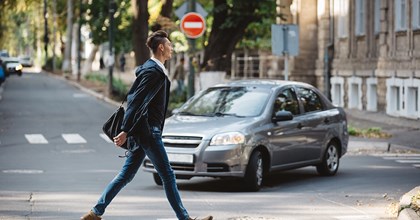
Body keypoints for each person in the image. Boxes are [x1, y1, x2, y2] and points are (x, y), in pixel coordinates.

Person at [81, 30, 213, 220]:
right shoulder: (153, 71)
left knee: (125, 176)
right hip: (149, 132)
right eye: (169, 45)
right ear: (161, 47)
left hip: (144, 131)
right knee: (167, 175)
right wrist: (126, 130)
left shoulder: (153, 69)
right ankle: (184, 218)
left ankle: (95, 213)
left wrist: (130, 130)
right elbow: (135, 101)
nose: (172, 49)